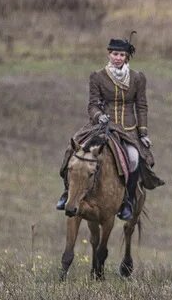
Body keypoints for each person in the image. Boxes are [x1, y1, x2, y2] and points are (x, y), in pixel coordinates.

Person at [58, 36, 162, 221]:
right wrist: (99, 116)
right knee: (71, 151)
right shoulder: (97, 77)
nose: (118, 58)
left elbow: (141, 106)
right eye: (115, 54)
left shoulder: (138, 78)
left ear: (126, 57)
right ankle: (67, 193)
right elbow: (92, 105)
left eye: (121, 54)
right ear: (109, 54)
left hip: (128, 130)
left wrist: (143, 132)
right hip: (101, 127)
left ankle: (127, 202)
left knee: (134, 158)